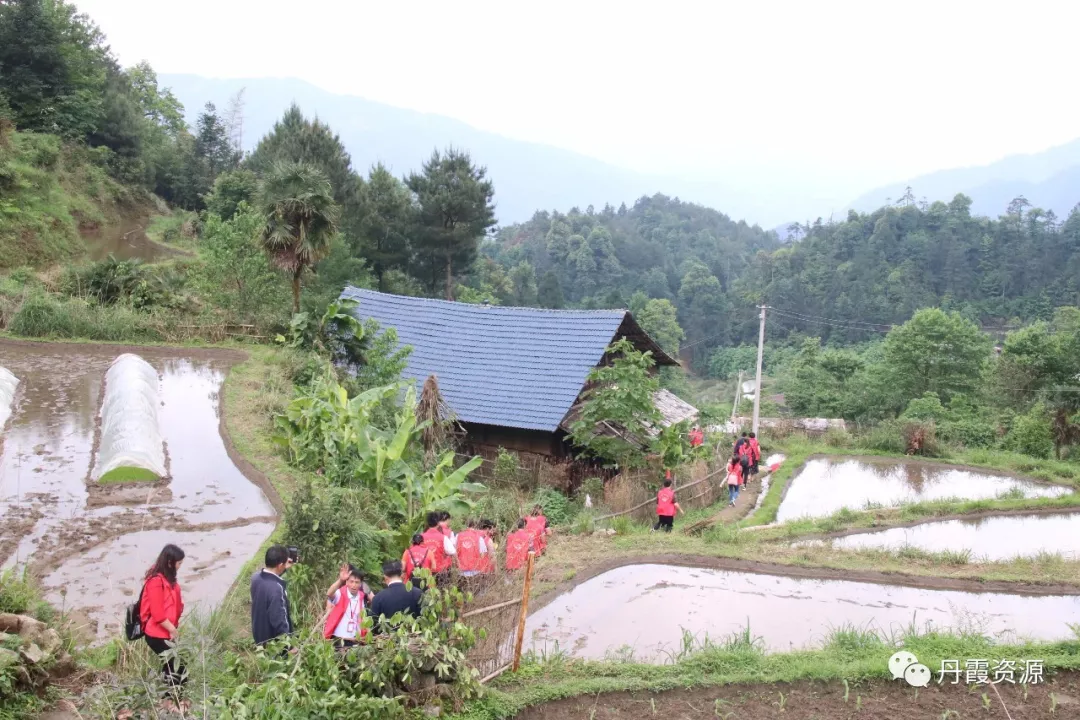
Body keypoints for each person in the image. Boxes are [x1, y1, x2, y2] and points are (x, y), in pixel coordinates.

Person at [140, 544, 187, 708]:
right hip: (156, 634)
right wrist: (173, 630)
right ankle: (170, 703)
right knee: (177, 666)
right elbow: (158, 615)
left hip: (165, 632)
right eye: (178, 563)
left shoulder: (167, 577)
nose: (180, 566)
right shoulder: (155, 582)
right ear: (169, 562)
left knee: (173, 666)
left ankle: (169, 700)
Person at [251, 545, 294, 646]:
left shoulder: (256, 578)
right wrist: (289, 646)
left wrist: (283, 568)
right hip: (274, 645)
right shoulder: (276, 589)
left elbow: (271, 578)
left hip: (259, 635)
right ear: (279, 565)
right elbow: (280, 620)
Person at [368, 560, 423, 634]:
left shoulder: (378, 598)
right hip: (415, 641)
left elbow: (373, 626)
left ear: (385, 577)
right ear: (402, 575)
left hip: (387, 641)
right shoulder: (417, 593)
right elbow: (423, 620)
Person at [323, 564, 369, 647]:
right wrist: (340, 580)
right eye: (351, 581)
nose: (353, 585)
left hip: (355, 639)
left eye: (356, 582)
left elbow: (362, 618)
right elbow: (329, 593)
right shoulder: (340, 593)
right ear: (347, 582)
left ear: (360, 584)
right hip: (339, 638)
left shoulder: (361, 596)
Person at [421, 511, 456, 584]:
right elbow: (452, 551)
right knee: (441, 592)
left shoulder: (421, 537)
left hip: (424, 571)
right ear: (438, 523)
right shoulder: (443, 538)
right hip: (440, 571)